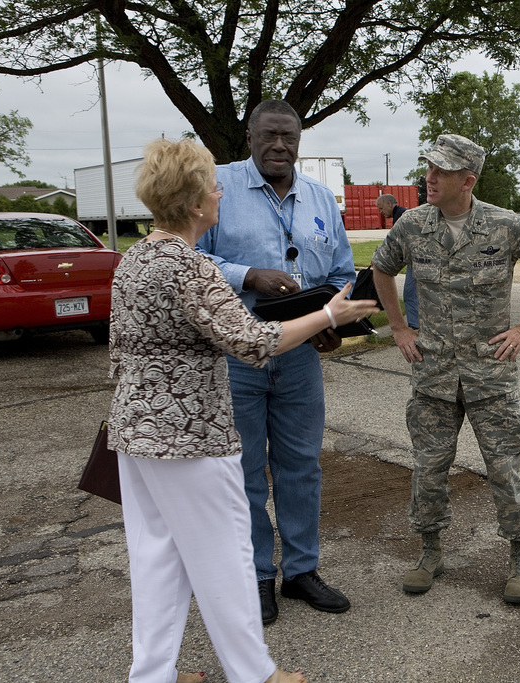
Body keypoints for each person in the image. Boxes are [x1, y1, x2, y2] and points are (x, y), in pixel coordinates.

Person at [110, 138, 377, 683]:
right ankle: (255, 673)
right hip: (190, 438)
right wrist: (328, 314)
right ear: (193, 204)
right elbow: (253, 342)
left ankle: (152, 674)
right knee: (228, 556)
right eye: (211, 185)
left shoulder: (135, 258)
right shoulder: (188, 266)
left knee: (158, 558)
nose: (219, 192)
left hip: (135, 434)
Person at [195, 100, 357, 625]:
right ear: (249, 136)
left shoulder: (318, 198)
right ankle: (258, 576)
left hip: (300, 357)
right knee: (243, 471)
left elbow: (340, 269)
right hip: (237, 355)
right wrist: (249, 275)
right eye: (269, 135)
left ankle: (302, 571)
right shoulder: (215, 187)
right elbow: (191, 258)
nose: (280, 146)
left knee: (301, 465)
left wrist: (329, 321)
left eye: (289, 136)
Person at [372, 134, 520, 604]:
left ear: (467, 180)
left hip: (489, 372)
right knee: (429, 468)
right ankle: (430, 552)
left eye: (440, 172)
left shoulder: (505, 225)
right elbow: (380, 268)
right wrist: (399, 328)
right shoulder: (411, 225)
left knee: (505, 466)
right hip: (432, 372)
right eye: (428, 168)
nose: (429, 178)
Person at [375, 193, 417, 330]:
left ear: (389, 204)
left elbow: (399, 245)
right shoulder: (401, 214)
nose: (381, 212)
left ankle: (415, 327)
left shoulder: (401, 217)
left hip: (415, 262)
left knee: (410, 294)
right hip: (416, 261)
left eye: (381, 208)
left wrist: (379, 257)